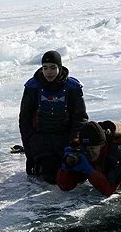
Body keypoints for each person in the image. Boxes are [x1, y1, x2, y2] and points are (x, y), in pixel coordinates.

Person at [18, 50, 88, 182]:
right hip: (41, 139)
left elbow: (80, 118)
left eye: (53, 67)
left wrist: (74, 144)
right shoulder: (33, 87)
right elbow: (24, 121)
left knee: (76, 177)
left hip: (65, 139)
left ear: (59, 68)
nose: (49, 72)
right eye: (45, 68)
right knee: (51, 177)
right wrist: (30, 154)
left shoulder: (72, 87)